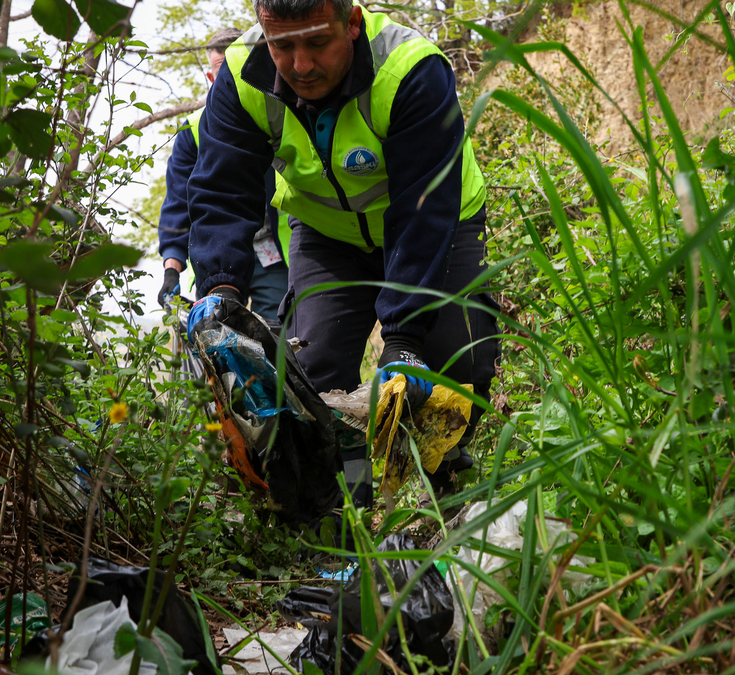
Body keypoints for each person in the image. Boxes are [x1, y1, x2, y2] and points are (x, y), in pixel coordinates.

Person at [184, 0, 499, 506]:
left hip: (437, 222)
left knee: (458, 361)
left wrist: (402, 339)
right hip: (327, 235)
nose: (301, 65)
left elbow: (422, 210)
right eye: (282, 46)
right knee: (313, 370)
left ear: (351, 24)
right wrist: (220, 294)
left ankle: (451, 490)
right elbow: (222, 191)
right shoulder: (242, 76)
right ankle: (341, 517)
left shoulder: (410, 69)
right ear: (265, 32)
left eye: (316, 43)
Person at [156, 27, 290, 325]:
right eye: (222, 72)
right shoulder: (192, 132)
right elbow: (179, 203)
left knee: (278, 335)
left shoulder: (275, 115)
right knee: (218, 330)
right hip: (217, 252)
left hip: (274, 252)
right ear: (211, 78)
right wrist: (171, 270)